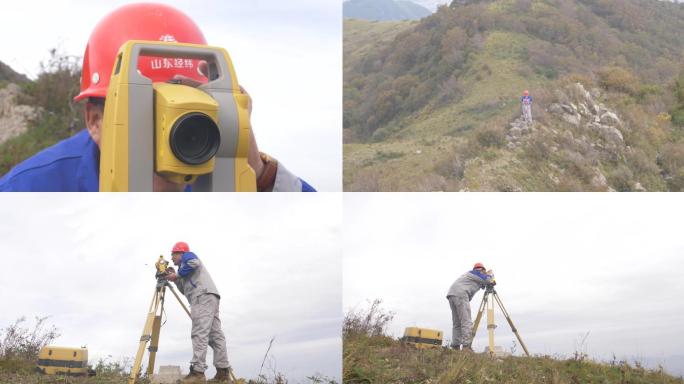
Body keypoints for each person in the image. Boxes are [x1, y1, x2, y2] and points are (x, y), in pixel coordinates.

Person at [0, 3, 314, 192]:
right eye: (147, 111)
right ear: (95, 120)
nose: (171, 134)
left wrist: (258, 173)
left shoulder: (219, 168)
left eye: (186, 111)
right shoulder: (30, 187)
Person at [164, 241, 231, 383]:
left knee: (199, 333)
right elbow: (184, 290)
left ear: (180, 253)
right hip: (209, 296)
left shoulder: (188, 257)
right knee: (215, 336)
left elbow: (194, 262)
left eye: (173, 254)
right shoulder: (184, 271)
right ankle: (223, 372)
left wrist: (177, 274)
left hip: (202, 296)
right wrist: (175, 278)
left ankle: (198, 372)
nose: (171, 258)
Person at [446, 262, 494, 351]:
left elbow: (483, 284)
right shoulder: (476, 273)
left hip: (452, 295)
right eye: (483, 271)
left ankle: (455, 346)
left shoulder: (471, 276)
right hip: (461, 294)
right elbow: (489, 280)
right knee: (466, 321)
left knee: (457, 323)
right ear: (482, 270)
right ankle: (466, 347)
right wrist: (490, 274)